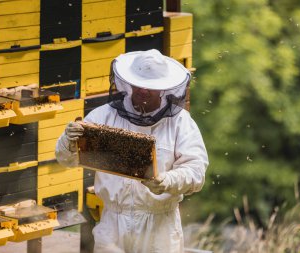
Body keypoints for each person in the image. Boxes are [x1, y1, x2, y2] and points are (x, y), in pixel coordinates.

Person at [56, 49, 209, 253]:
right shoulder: (103, 116)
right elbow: (66, 160)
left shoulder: (180, 122)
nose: (143, 91)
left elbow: (196, 171)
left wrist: (167, 181)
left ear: (163, 88)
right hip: (112, 224)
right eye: (139, 85)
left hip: (159, 227)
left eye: (150, 87)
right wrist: (68, 140)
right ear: (129, 83)